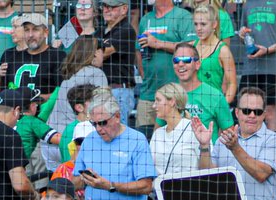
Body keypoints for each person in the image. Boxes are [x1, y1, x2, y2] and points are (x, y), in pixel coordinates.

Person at [74, 90, 156, 200]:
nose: (98, 129)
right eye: (94, 124)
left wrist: (111, 186)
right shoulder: (89, 140)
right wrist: (84, 179)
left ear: (117, 116)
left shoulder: (137, 140)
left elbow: (146, 186)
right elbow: (75, 182)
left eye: (103, 123)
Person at [234, 0, 276, 132]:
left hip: (274, 68)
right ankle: (245, 151)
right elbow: (244, 35)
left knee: (269, 114)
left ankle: (274, 151)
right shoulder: (248, 4)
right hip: (250, 69)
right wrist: (242, 34)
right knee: (246, 113)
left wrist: (268, 50)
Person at [137, 0, 196, 132]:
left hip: (175, 96)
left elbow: (192, 46)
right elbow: (138, 52)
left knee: (175, 139)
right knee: (144, 141)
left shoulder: (183, 16)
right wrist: (145, 75)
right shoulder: (145, 19)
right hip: (148, 94)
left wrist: (159, 43)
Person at [173, 42, 234, 138]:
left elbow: (230, 137)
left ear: (197, 64)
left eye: (186, 60)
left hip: (206, 151)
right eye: (176, 60)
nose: (180, 64)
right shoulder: (168, 94)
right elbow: (158, 133)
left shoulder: (214, 96)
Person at [0, 14, 66, 97]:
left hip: (43, 109)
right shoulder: (10, 55)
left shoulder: (58, 56)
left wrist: (31, 99)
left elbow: (63, 92)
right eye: (26, 30)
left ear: (46, 32)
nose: (30, 35)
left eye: (35, 29)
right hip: (15, 109)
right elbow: (0, 91)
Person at [149, 83, 202, 176]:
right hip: (158, 189)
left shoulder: (194, 128)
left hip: (187, 188)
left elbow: (208, 167)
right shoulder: (157, 133)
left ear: (172, 102)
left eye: (158, 101)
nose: (154, 106)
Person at [99, 0, 136, 125]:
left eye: (112, 7)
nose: (107, 9)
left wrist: (90, 50)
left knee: (118, 135)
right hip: (105, 91)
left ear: (124, 9)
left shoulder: (126, 30)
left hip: (119, 92)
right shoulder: (102, 30)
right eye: (105, 6)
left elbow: (100, 55)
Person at [194, 4, 236, 103]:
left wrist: (222, 107)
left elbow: (232, 84)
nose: (198, 28)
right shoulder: (192, 47)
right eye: (196, 24)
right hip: (192, 106)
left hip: (213, 103)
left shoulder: (223, 50)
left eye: (203, 24)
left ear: (214, 24)